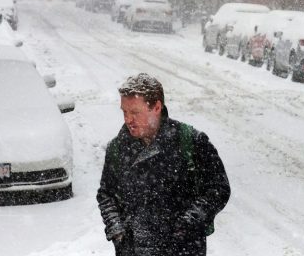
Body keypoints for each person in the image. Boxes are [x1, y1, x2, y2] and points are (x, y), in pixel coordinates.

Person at [97, 73, 231, 256]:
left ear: (157, 107)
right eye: (124, 112)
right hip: (133, 250)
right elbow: (107, 194)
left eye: (135, 112)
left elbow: (218, 189)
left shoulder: (191, 141)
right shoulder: (117, 148)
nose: (128, 120)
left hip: (183, 249)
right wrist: (117, 231)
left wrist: (188, 223)